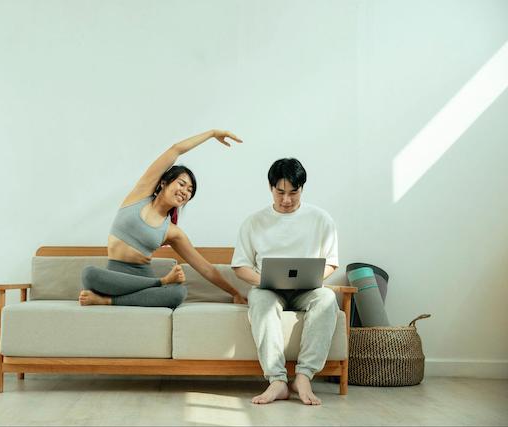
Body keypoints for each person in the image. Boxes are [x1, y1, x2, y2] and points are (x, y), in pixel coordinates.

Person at [79, 130, 248, 308]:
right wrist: (212, 133)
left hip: (143, 279)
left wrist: (235, 293)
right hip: (115, 278)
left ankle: (107, 300)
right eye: (181, 184)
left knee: (178, 293)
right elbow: (176, 149)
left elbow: (205, 268)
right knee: (89, 274)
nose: (185, 191)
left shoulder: (172, 231)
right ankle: (160, 282)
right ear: (163, 183)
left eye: (190, 190)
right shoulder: (140, 194)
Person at [231, 158, 339, 406]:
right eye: (280, 192)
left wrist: (311, 279)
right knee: (259, 299)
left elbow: (332, 262)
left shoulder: (321, 219)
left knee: (327, 298)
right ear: (271, 188)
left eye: (294, 192)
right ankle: (277, 380)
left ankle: (304, 376)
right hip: (268, 289)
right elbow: (240, 266)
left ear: (302, 188)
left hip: (307, 290)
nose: (287, 200)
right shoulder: (253, 222)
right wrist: (267, 281)